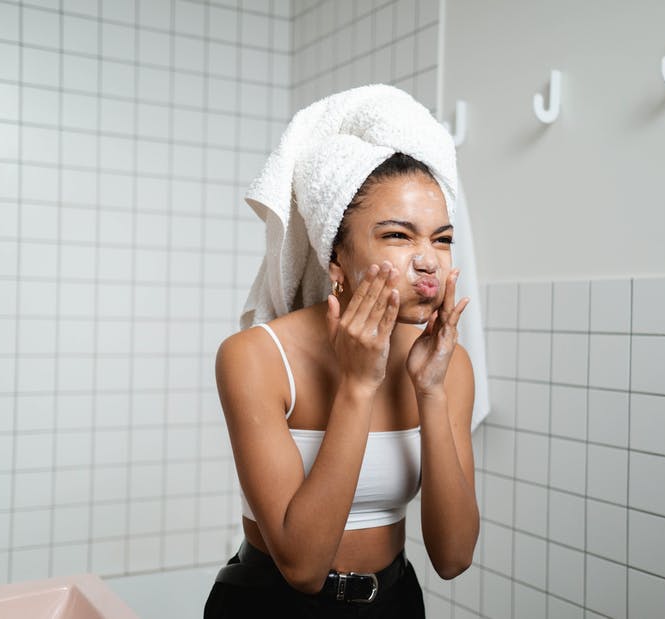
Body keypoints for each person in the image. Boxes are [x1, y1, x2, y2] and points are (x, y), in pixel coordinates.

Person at [204, 89, 479, 618]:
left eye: (441, 240)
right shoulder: (255, 359)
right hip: (269, 605)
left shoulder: (446, 365)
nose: (428, 262)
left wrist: (431, 390)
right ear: (336, 257)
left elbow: (453, 556)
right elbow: (303, 568)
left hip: (396, 603)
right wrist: (357, 385)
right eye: (398, 235)